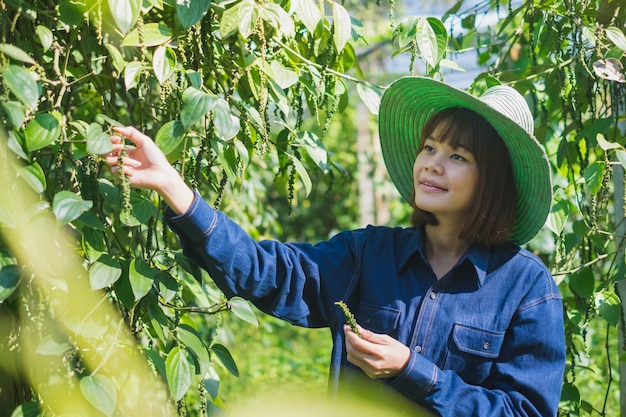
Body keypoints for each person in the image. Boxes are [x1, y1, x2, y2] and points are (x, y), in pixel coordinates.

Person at [104, 76, 566, 416]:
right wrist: (177, 192)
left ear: (493, 183)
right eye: (429, 147)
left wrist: (413, 370)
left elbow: (524, 411)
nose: (432, 165)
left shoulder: (526, 287)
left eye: (458, 156)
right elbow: (272, 272)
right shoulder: (369, 254)